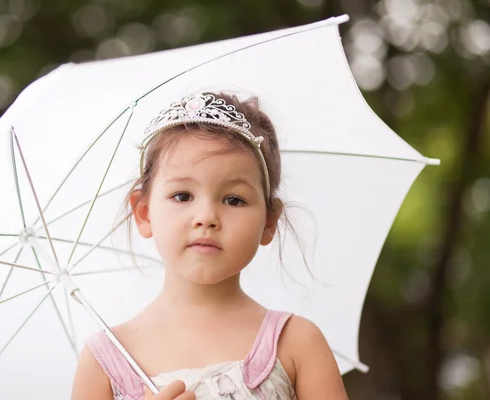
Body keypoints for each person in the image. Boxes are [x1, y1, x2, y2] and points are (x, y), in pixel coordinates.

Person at [72, 92, 348, 399]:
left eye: (234, 199)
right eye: (182, 196)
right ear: (144, 212)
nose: (206, 217)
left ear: (269, 222)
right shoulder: (104, 361)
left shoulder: (296, 343)